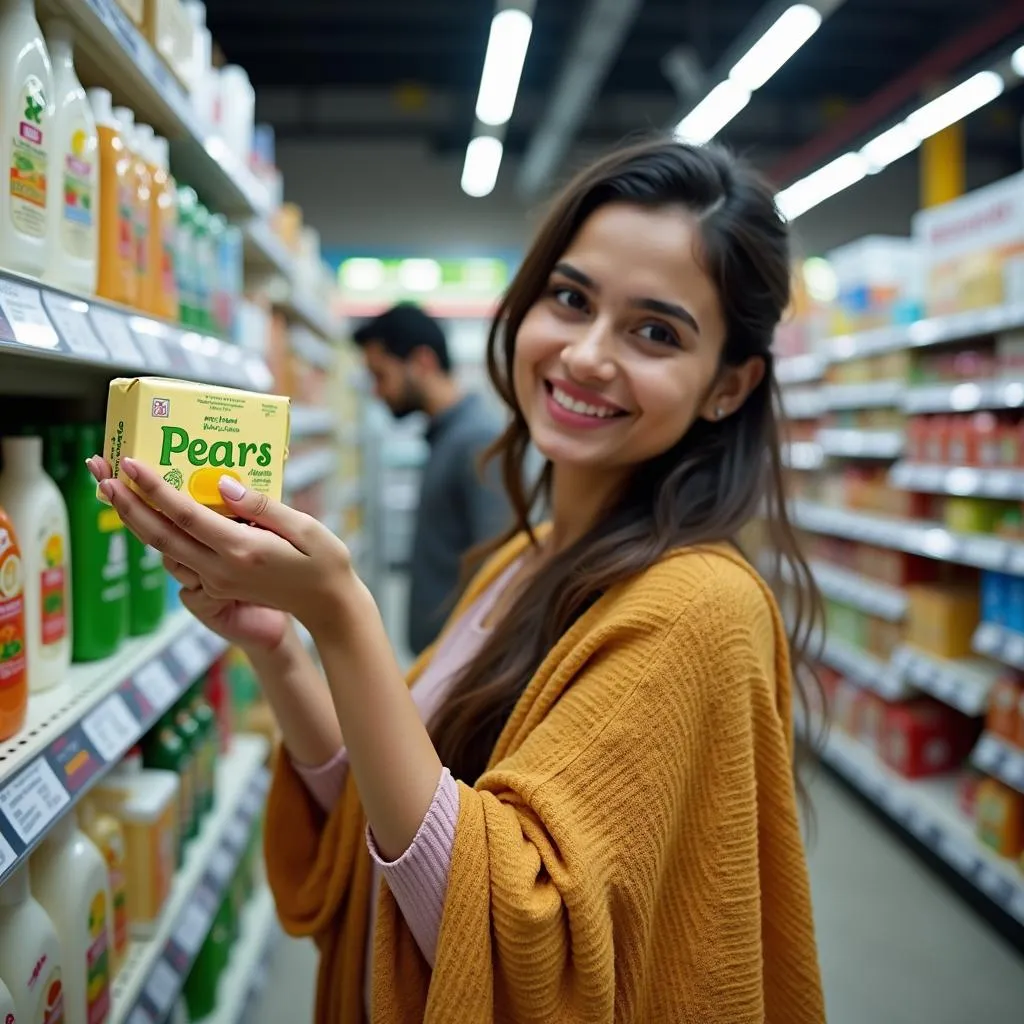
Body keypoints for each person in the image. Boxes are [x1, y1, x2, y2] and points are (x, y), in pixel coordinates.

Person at [90, 139, 826, 1023]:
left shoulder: (699, 608)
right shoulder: (530, 554)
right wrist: (281, 646)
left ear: (728, 386)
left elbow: (525, 952)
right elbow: (394, 806)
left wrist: (345, 614)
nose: (588, 354)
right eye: (571, 298)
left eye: (655, 331)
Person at [354, 303, 510, 655]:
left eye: (381, 375)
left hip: (460, 665)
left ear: (422, 363)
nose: (377, 392)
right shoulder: (447, 436)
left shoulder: (477, 440)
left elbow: (497, 570)